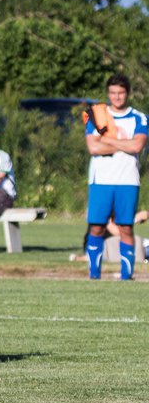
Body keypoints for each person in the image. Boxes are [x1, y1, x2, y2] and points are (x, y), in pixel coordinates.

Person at [83, 74, 148, 280]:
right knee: (97, 226)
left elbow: (137, 145)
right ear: (108, 93)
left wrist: (107, 140)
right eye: (113, 92)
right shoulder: (97, 115)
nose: (117, 97)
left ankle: (126, 275)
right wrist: (124, 144)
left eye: (120, 92)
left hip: (127, 180)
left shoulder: (139, 117)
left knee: (125, 227)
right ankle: (94, 275)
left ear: (127, 93)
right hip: (100, 180)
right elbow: (93, 147)